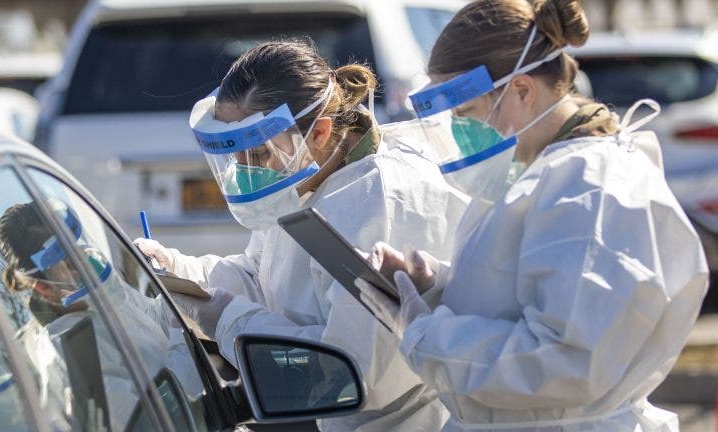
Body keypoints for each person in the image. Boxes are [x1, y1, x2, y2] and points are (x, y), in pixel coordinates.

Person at [356, 0, 710, 431]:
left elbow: (564, 359)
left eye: (464, 112)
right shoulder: (542, 173)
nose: (456, 130)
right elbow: (524, 294)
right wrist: (437, 288)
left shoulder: (589, 186)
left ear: (521, 90)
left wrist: (425, 334)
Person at [135, 40, 470, 431]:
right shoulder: (308, 177)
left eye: (257, 154)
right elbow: (266, 278)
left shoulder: (379, 199)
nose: (246, 170)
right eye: (235, 157)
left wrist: (226, 318)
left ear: (320, 133)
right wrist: (181, 273)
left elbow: (356, 373)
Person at [0, 198, 171, 431]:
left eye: (73, 244)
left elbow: (150, 319)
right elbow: (144, 420)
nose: (79, 259)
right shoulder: (71, 353)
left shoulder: (100, 294)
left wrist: (175, 293)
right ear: (43, 287)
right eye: (62, 257)